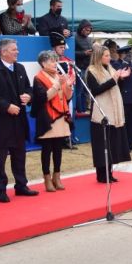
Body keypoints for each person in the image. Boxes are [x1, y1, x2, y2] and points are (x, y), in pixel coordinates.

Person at [0, 38, 37, 202]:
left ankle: (21, 185)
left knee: (20, 155)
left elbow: (28, 88)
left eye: (16, 49)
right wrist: (6, 106)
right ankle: (0, 190)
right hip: (0, 122)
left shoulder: (19, 68)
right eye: (14, 49)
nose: (17, 52)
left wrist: (29, 96)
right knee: (0, 158)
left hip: (19, 120)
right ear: (3, 52)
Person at [86, 44, 132, 182]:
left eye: (108, 55)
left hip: (113, 110)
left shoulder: (110, 68)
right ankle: (101, 175)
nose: (109, 58)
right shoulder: (91, 71)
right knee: (102, 144)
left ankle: (110, 173)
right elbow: (96, 90)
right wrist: (113, 80)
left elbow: (116, 87)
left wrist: (121, 78)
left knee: (112, 142)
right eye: (106, 56)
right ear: (99, 57)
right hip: (101, 112)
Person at [31, 50, 74, 192]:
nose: (55, 63)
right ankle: (47, 178)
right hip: (47, 118)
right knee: (47, 149)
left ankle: (57, 176)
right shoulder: (38, 78)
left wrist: (68, 86)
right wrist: (57, 85)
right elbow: (44, 98)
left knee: (58, 149)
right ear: (43, 64)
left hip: (61, 116)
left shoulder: (58, 75)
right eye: (51, 61)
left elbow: (67, 98)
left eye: (56, 60)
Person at [110, 44, 132, 152]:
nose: (131, 56)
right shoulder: (116, 64)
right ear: (121, 54)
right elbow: (117, 80)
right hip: (125, 97)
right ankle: (125, 145)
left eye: (131, 54)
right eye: (128, 54)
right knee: (125, 122)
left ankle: (131, 142)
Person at [73, 19, 93, 113]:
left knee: (86, 90)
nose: (88, 32)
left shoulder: (89, 39)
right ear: (82, 28)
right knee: (79, 90)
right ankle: (79, 109)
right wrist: (84, 53)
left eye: (90, 30)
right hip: (78, 68)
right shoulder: (74, 37)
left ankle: (84, 109)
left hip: (87, 67)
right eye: (86, 30)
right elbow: (71, 53)